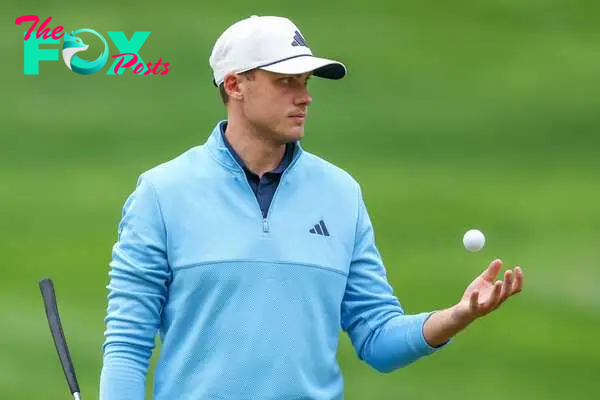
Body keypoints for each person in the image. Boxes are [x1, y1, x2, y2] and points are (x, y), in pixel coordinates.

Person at [99, 15, 524, 400]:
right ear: (235, 85)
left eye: (305, 82)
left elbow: (377, 337)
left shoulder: (341, 194)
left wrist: (458, 314)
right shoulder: (162, 193)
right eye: (286, 82)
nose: (305, 97)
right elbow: (127, 344)